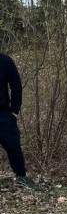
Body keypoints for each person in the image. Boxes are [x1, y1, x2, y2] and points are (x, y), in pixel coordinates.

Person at [0, 51, 33, 186]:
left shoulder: (5, 61)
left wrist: (14, 111)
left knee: (13, 145)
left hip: (3, 113)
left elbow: (16, 85)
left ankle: (21, 176)